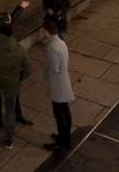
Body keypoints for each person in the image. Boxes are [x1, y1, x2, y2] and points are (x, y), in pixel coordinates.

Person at [0, 19, 32, 150]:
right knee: (10, 110)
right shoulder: (19, 49)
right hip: (12, 85)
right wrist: (17, 78)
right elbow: (27, 71)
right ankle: (9, 140)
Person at [42, 20, 74, 152]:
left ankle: (62, 143)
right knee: (65, 110)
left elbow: (54, 69)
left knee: (59, 114)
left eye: (43, 31)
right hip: (64, 82)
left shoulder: (51, 47)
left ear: (47, 32)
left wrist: (46, 74)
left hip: (57, 85)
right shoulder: (61, 42)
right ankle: (65, 136)